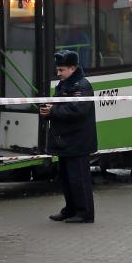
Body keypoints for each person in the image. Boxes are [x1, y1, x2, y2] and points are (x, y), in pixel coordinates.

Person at [40, 49, 97, 224]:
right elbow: (60, 106)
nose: (58, 73)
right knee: (67, 179)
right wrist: (48, 111)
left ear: (72, 68)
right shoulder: (64, 84)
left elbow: (77, 110)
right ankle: (70, 209)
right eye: (57, 70)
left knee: (79, 179)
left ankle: (84, 213)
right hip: (65, 140)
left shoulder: (82, 86)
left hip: (78, 141)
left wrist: (53, 111)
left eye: (61, 70)